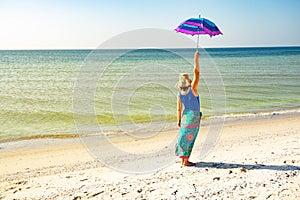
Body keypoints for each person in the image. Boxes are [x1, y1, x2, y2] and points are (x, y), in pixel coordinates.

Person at [175, 51, 202, 167]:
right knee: (190, 138)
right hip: (194, 117)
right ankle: (186, 161)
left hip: (185, 117)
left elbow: (179, 109)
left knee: (184, 137)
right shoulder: (193, 89)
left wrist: (179, 121)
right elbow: (197, 73)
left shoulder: (180, 94)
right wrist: (196, 59)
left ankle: (183, 160)